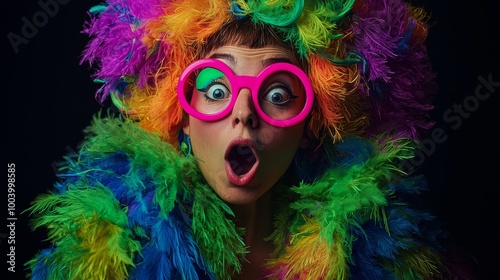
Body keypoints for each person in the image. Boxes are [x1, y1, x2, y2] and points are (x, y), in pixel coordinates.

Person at [25, 0, 471, 279]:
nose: (243, 112)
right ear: (179, 116)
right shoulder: (112, 248)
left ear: (311, 123)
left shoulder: (381, 249)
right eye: (215, 90)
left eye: (277, 95)